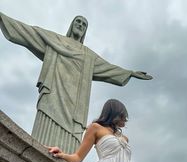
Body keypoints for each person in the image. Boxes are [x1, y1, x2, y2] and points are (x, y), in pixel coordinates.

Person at [0, 13, 152, 153]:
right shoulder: (55, 40)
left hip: (75, 107)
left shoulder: (88, 56)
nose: (80, 25)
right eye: (78, 22)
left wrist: (130, 73)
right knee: (42, 139)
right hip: (52, 95)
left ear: (85, 31)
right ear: (72, 25)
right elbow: (28, 32)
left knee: (69, 143)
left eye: (84, 24)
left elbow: (108, 68)